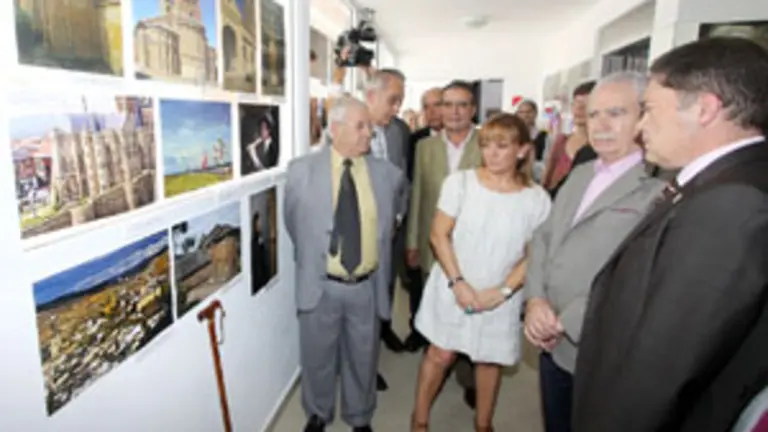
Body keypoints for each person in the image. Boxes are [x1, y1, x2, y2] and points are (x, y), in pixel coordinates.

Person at [573, 37, 768, 432]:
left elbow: (664, 365)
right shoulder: (726, 181)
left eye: (648, 111)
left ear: (705, 108)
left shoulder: (731, 204)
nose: (641, 127)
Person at [523, 71, 665, 432]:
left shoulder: (659, 187)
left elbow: (635, 273)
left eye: (616, 113)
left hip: (601, 347)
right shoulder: (583, 172)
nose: (600, 125)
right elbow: (544, 237)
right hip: (552, 342)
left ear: (644, 116)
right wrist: (535, 300)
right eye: (594, 114)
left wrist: (562, 320)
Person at [411, 114, 552, 432]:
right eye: (486, 144)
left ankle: (483, 424)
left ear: (522, 150)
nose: (491, 153)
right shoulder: (460, 183)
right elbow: (438, 234)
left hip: (500, 294)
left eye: (502, 146)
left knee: (489, 360)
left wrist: (502, 291)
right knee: (440, 354)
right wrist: (458, 283)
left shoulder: (536, 200)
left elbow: (535, 256)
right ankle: (419, 421)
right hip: (453, 283)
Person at [283, 96, 408, 432]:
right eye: (361, 126)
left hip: (366, 285)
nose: (370, 133)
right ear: (335, 129)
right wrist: (320, 260)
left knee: (363, 357)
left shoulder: (388, 175)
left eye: (369, 125)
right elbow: (295, 226)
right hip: (321, 284)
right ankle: (318, 414)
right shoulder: (301, 171)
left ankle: (360, 416)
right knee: (317, 356)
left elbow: (391, 224)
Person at [405, 80, 483, 406]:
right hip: (434, 246)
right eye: (447, 104)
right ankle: (437, 365)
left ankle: (469, 378)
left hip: (476, 248)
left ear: (472, 110)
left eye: (461, 104)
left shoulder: (488, 143)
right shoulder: (426, 147)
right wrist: (412, 241)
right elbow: (419, 197)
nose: (453, 112)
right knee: (438, 310)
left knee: (471, 313)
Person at [403, 86, 444, 352]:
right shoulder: (415, 140)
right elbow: (411, 184)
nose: (431, 112)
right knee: (418, 280)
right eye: (425, 106)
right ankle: (418, 330)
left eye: (437, 104)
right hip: (422, 221)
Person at [542, 81, 595, 192]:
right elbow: (547, 180)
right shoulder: (561, 141)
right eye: (576, 103)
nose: (580, 109)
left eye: (587, 104)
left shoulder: (602, 146)